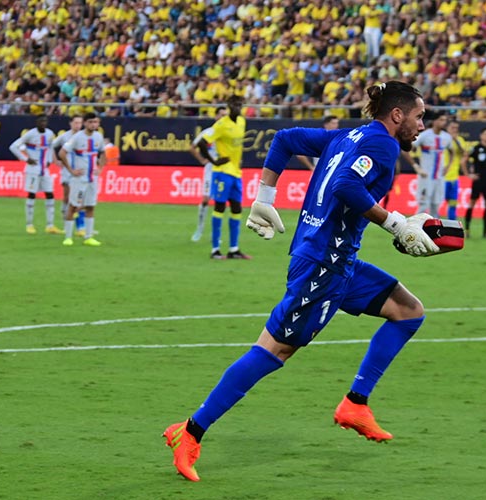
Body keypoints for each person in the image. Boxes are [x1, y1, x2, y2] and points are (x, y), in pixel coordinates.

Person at [163, 81, 440, 482]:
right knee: (274, 351)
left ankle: (356, 404)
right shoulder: (384, 145)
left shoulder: (348, 135)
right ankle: (190, 431)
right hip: (322, 267)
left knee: (408, 312)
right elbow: (346, 186)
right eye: (419, 116)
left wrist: (265, 195)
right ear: (397, 115)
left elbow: (285, 139)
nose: (421, 125)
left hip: (334, 259)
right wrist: (394, 223)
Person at [196, 95, 251, 259]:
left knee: (236, 208)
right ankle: (215, 250)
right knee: (219, 207)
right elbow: (201, 143)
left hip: (236, 172)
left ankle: (233, 249)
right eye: (234, 104)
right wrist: (214, 161)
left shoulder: (242, 122)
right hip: (222, 172)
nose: (237, 107)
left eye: (239, 104)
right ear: (228, 106)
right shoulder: (221, 124)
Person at [9, 115, 63, 235]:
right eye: (41, 121)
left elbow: (50, 148)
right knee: (32, 194)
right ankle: (29, 224)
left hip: (45, 169)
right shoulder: (30, 134)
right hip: (32, 169)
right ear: (36, 122)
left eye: (45, 121)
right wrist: (25, 159)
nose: (43, 123)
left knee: (50, 194)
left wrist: (49, 159)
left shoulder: (49, 134)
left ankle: (50, 225)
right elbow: (13, 146)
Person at [58, 112, 105, 247]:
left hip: (92, 178)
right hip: (79, 178)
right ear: (85, 123)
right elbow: (62, 153)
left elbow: (103, 153)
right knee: (73, 206)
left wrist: (100, 168)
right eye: (90, 122)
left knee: (90, 206)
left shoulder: (98, 137)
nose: (93, 125)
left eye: (95, 122)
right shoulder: (77, 137)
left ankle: (88, 237)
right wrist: (71, 170)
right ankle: (68, 237)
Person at [189, 106, 227, 242]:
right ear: (216, 116)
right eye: (221, 115)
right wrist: (202, 160)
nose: (224, 117)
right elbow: (192, 147)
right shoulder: (208, 133)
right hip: (211, 170)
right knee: (205, 200)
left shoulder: (227, 133)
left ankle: (216, 234)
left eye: (225, 115)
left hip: (224, 170)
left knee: (220, 202)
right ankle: (199, 229)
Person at [406, 111, 452, 217]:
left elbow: (451, 152)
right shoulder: (425, 136)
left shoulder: (447, 137)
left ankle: (432, 231)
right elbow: (406, 149)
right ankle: (414, 229)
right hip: (426, 176)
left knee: (436, 205)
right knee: (423, 205)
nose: (444, 122)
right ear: (434, 121)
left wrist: (447, 167)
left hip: (439, 177)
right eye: (441, 120)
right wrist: (416, 166)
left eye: (445, 120)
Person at [52, 114, 85, 237]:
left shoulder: (84, 136)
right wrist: (55, 160)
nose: (78, 125)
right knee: (68, 198)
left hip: (80, 171)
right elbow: (51, 146)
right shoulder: (65, 136)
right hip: (67, 171)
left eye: (80, 123)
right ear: (70, 123)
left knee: (80, 198)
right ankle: (68, 225)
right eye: (75, 123)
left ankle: (80, 227)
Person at [443, 120, 467, 220]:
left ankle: (451, 226)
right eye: (452, 127)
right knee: (436, 203)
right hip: (441, 177)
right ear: (447, 128)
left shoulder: (459, 140)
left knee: (453, 203)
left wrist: (455, 140)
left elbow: (463, 152)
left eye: (456, 128)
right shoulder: (442, 138)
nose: (455, 130)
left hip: (454, 177)